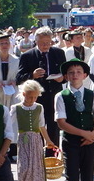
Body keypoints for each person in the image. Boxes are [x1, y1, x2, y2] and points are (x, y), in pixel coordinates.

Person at [16, 26, 67, 155]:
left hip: (54, 95)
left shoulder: (59, 53)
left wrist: (62, 78)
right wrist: (32, 75)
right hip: (36, 98)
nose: (46, 45)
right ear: (36, 41)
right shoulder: (27, 56)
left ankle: (52, 154)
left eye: (48, 42)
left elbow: (66, 75)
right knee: (37, 126)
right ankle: (37, 154)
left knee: (53, 126)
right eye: (43, 43)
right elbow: (19, 79)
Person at [12, 80, 57, 181]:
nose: (33, 99)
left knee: (36, 167)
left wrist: (48, 140)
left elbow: (42, 125)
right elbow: (8, 124)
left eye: (35, 97)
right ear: (24, 94)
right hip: (24, 139)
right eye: (30, 96)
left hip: (36, 139)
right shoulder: (17, 108)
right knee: (24, 166)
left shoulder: (39, 107)